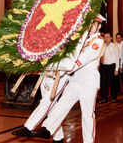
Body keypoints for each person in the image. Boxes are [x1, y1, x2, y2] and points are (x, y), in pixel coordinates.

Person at [32, 15, 105, 143]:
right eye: (89, 23)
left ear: (99, 26)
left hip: (88, 81)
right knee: (62, 104)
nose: (91, 27)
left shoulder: (98, 40)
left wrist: (66, 67)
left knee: (88, 114)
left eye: (94, 24)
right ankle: (47, 128)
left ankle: (88, 141)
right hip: (75, 79)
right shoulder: (83, 40)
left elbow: (84, 58)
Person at [12, 28, 89, 143]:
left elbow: (72, 55)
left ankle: (28, 127)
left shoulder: (77, 33)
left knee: (47, 102)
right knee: (50, 107)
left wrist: (63, 69)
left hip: (61, 73)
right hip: (47, 71)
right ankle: (58, 138)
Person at [99, 32, 119, 104]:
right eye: (105, 37)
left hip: (111, 66)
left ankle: (114, 97)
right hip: (104, 66)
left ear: (111, 38)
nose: (106, 38)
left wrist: (116, 69)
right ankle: (104, 98)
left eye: (107, 37)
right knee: (103, 83)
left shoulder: (114, 46)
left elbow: (117, 58)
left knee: (112, 83)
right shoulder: (102, 46)